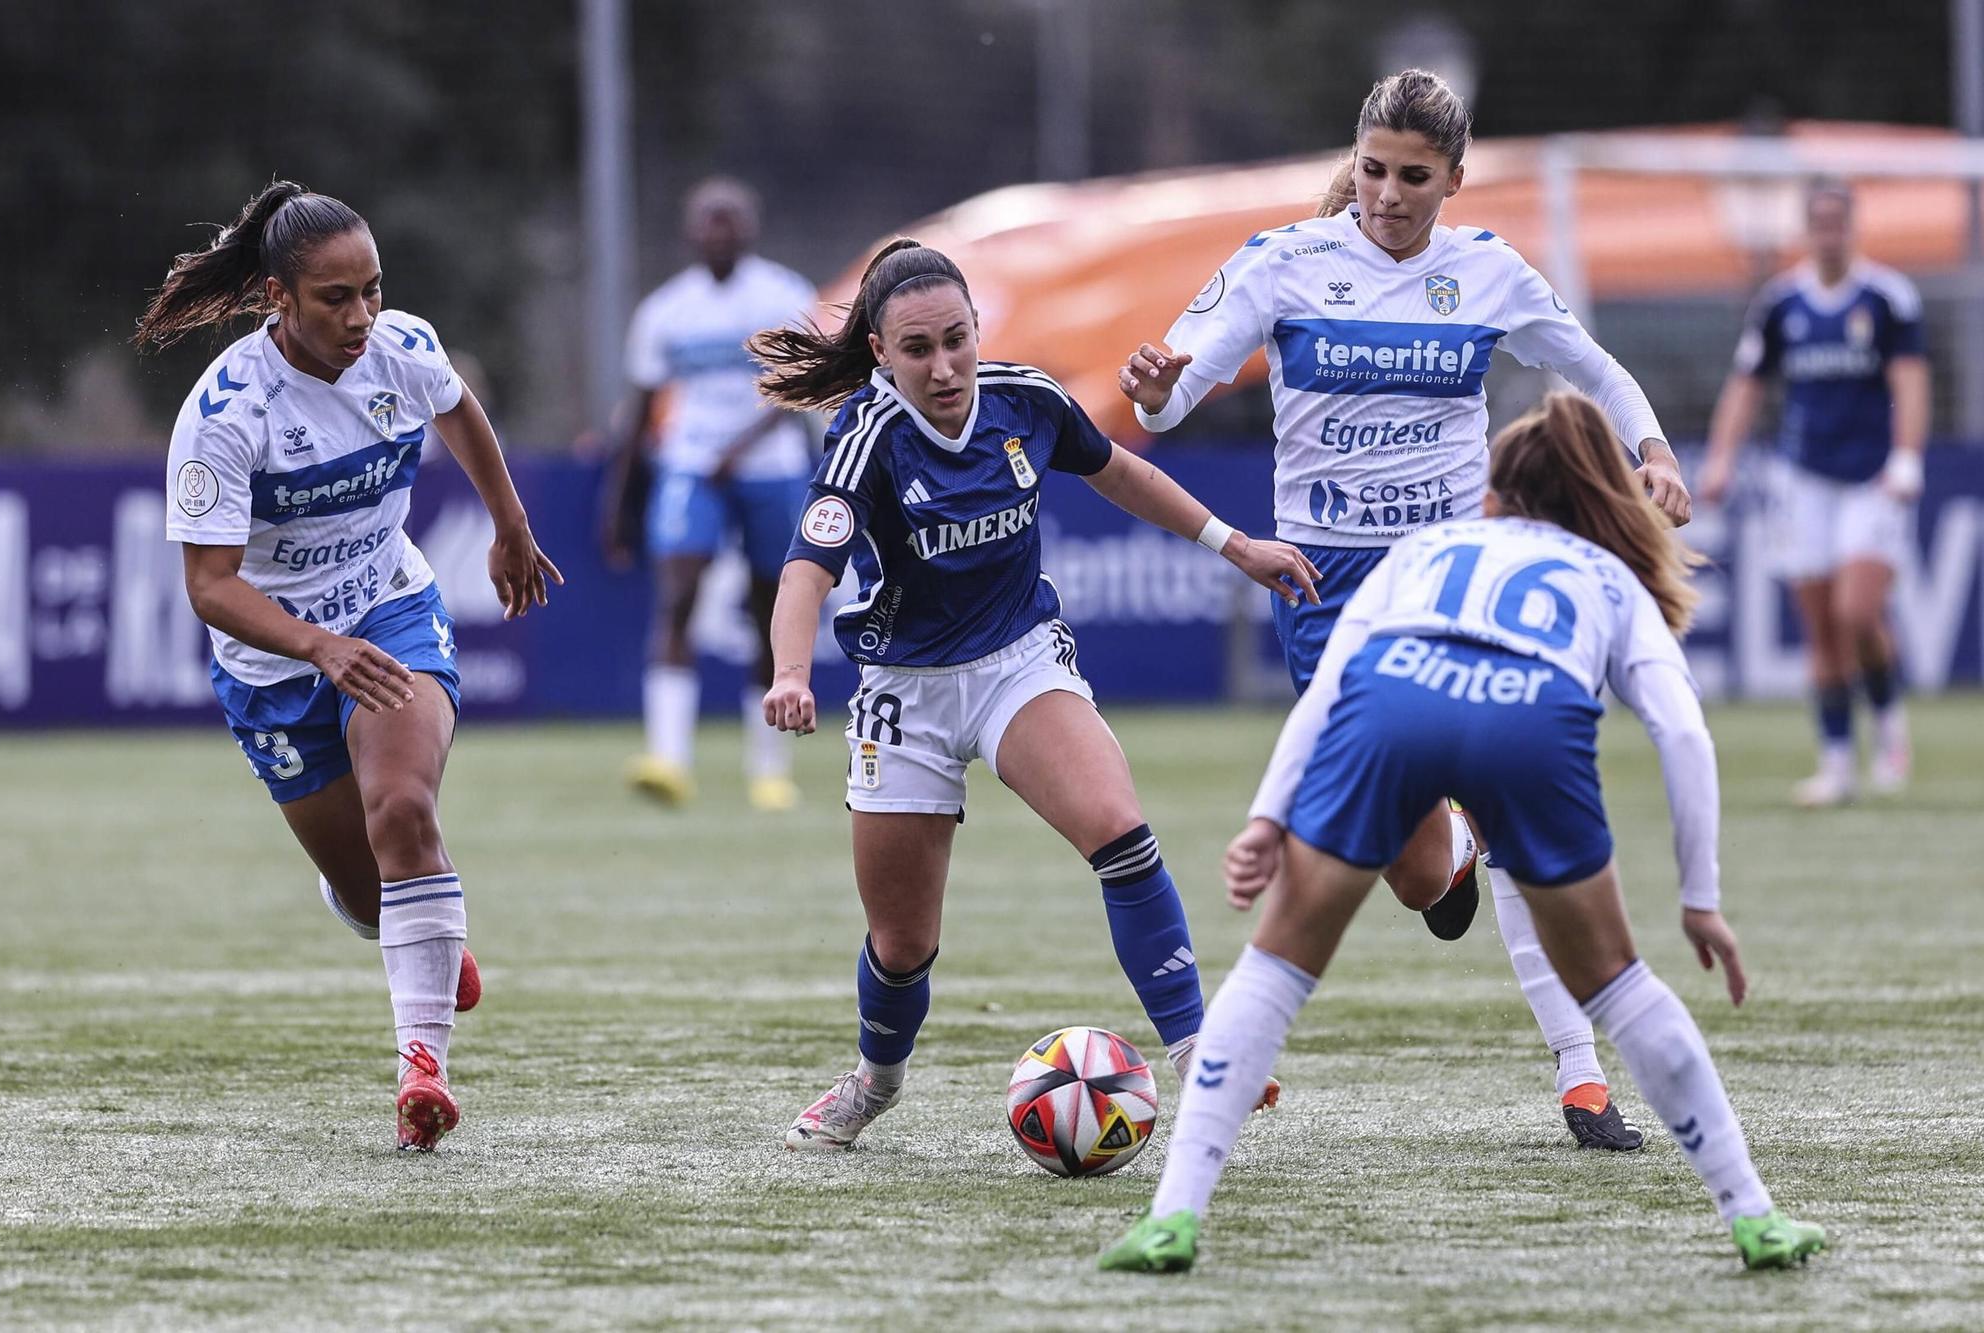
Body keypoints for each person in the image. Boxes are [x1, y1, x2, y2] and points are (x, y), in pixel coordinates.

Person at [1098, 393, 1827, 1275]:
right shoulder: (1607, 577)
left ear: (1494, 492)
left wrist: (1267, 816)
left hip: (1393, 708)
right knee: (1623, 987)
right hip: (1528, 725)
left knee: (1274, 968)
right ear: (1602, 498)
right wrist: (1701, 900)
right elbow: (1680, 730)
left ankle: (1172, 1218)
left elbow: (1332, 684)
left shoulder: (1427, 548)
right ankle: (1753, 1216)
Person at [1118, 68, 1692, 1151]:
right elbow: (1173, 386)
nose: (1385, 193)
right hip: (1323, 587)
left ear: (1452, 181)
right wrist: (1152, 383)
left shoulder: (1484, 272)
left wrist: (1651, 447)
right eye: (1373, 170)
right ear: (1356, 160)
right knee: (1421, 870)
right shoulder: (1284, 260)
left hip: (1452, 576)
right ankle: (1454, 850)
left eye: (1412, 178)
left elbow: (1594, 370)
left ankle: (1580, 1078)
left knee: (1514, 796)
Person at [750, 239, 1320, 1150]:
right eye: (918, 349)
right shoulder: (868, 438)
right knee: (901, 945)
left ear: (980, 330)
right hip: (906, 692)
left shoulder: (1028, 399)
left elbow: (1121, 472)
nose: (944, 367)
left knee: (1120, 831)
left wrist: (1234, 543)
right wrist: (787, 672)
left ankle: (1197, 1049)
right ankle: (874, 1080)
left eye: (957, 340)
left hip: (1019, 658)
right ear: (882, 355)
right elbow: (806, 569)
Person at [137, 181, 562, 1151]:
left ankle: (423, 1071)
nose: (361, 316)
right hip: (273, 664)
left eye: (372, 289)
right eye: (336, 298)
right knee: (373, 894)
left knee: (403, 811)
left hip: (389, 609)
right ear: (276, 298)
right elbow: (209, 585)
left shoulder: (400, 348)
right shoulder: (224, 415)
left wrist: (509, 522)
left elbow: (459, 412)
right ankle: (418, 927)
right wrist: (317, 647)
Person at [1699, 179, 1929, 807]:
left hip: (1872, 478)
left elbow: (1910, 382)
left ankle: (1887, 725)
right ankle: (1836, 765)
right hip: (1801, 478)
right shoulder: (1780, 304)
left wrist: (1908, 457)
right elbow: (1747, 386)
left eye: (1838, 222)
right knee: (1822, 625)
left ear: (1853, 226)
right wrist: (1721, 458)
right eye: (1819, 222)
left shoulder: (1887, 298)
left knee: (1858, 612)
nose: (1829, 233)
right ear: (1806, 229)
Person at [601, 178, 817, 812]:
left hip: (769, 469)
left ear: (750, 229)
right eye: (709, 221)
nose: (720, 231)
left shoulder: (782, 295)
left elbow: (802, 388)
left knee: (768, 611)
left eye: (731, 220)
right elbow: (641, 410)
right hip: (691, 468)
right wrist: (619, 501)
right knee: (677, 598)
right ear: (691, 233)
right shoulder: (666, 311)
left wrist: (740, 448)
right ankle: (669, 760)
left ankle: (769, 769)